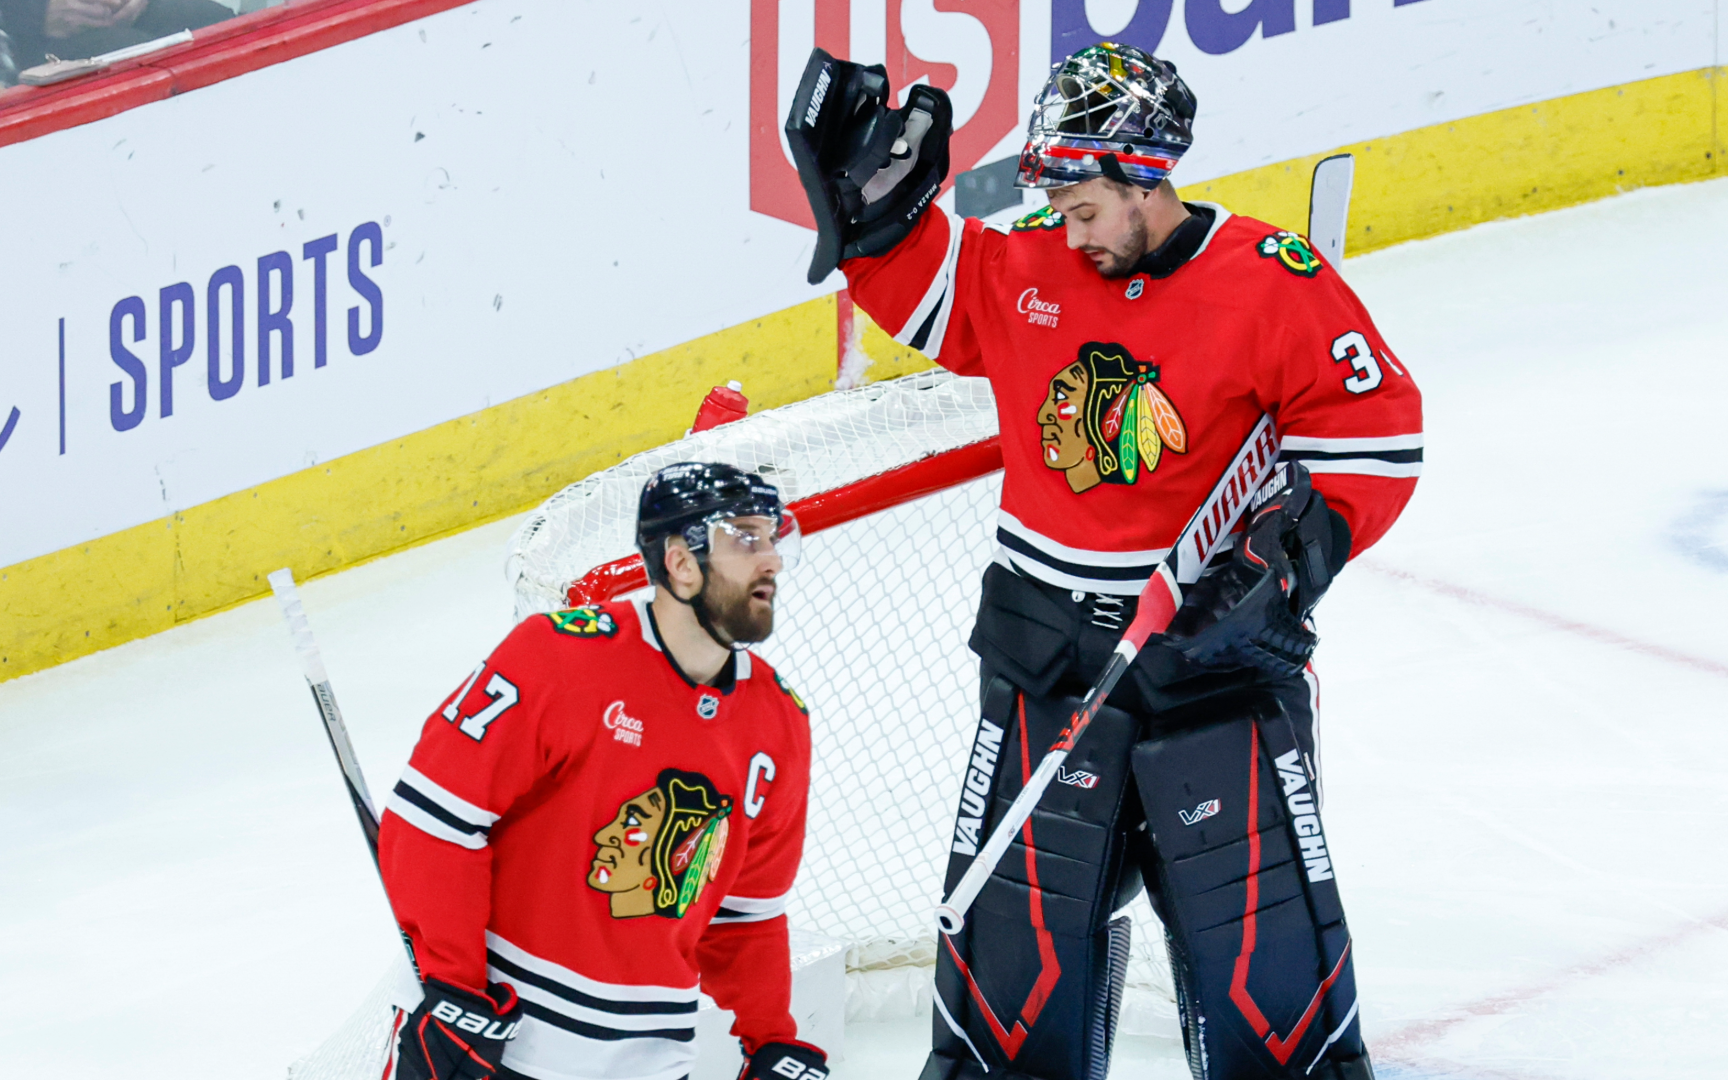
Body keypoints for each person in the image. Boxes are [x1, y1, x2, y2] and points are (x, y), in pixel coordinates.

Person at [786, 42, 1423, 1080]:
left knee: (1261, 963)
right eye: (1058, 208)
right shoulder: (1033, 263)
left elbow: (1376, 436)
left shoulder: (1271, 281)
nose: (1068, 231)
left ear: (1144, 178)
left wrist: (1282, 562)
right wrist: (877, 219)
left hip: (1207, 658)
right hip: (1045, 652)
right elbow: (928, 290)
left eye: (1084, 207)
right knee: (1013, 975)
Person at [377, 462, 830, 1080]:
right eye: (746, 539)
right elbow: (433, 823)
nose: (772, 559)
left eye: (774, 538)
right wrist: (455, 990)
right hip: (498, 1037)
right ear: (681, 562)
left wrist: (770, 1036)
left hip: (651, 1057)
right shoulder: (557, 657)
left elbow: (745, 915)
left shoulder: (780, 724)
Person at [0, 0, 231, 72]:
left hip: (120, 13)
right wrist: (32, 14)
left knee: (220, 26)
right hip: (17, 37)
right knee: (135, 60)